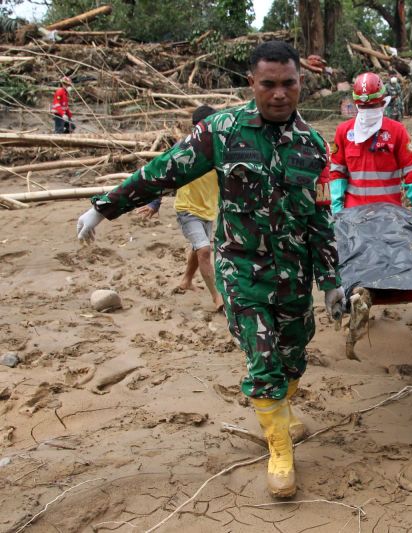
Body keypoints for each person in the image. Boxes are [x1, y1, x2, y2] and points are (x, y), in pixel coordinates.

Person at [75, 40, 345, 499]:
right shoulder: (221, 131)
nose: (279, 94)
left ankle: (280, 407)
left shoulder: (314, 145)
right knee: (262, 358)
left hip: (295, 274)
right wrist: (105, 207)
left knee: (295, 353)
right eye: (268, 84)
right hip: (242, 270)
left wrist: (332, 281)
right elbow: (163, 171)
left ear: (302, 83)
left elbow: (320, 219)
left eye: (289, 83)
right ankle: (279, 449)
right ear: (252, 84)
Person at [134, 105, 225, 311]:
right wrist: (155, 203)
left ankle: (186, 280)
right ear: (198, 128)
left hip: (208, 210)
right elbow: (167, 176)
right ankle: (216, 297)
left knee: (198, 247)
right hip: (187, 209)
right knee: (204, 249)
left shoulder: (220, 151)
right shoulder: (185, 151)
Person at [329, 72, 412, 215]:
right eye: (362, 106)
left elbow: (410, 172)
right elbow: (337, 172)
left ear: (382, 102)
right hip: (354, 215)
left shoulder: (397, 131)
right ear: (356, 104)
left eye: (372, 106)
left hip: (389, 215)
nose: (367, 111)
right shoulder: (344, 132)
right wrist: (336, 209)